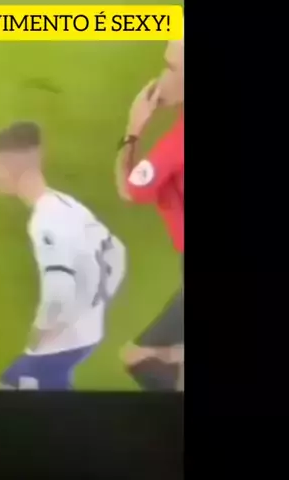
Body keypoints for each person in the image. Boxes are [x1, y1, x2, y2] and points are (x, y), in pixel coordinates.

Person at [0, 121, 127, 390]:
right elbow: (117, 252)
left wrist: (40, 332)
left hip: (59, 343)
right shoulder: (66, 203)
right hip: (85, 334)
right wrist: (96, 304)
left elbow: (59, 291)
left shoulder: (45, 220)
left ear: (12, 169)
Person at [114, 37, 184, 391]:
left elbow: (129, 190)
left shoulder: (177, 144)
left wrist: (133, 131)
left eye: (171, 68)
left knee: (138, 356)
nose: (161, 77)